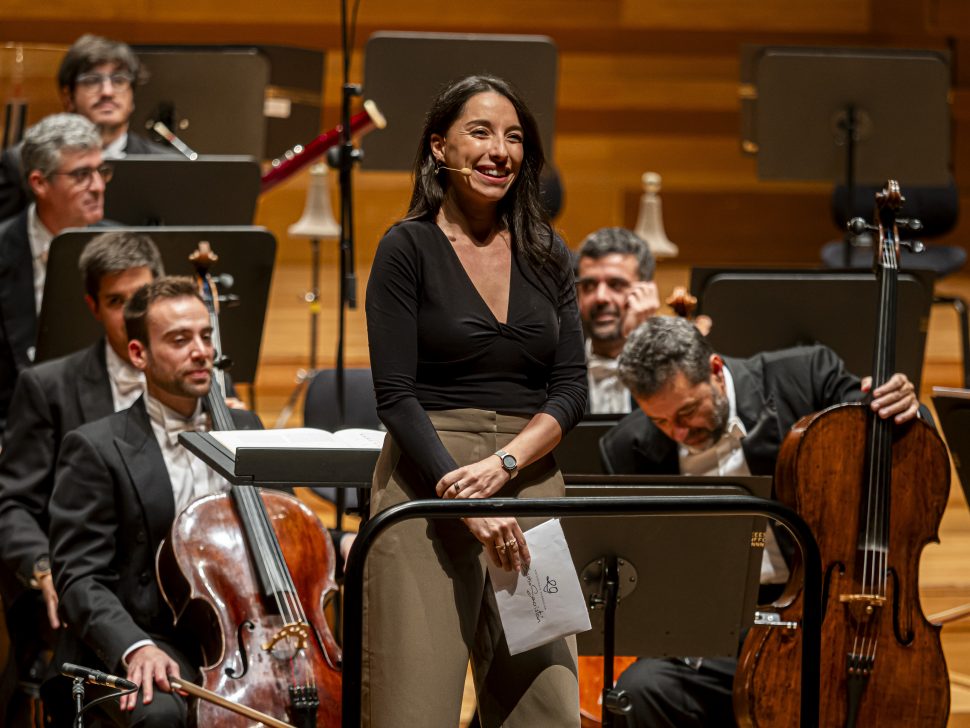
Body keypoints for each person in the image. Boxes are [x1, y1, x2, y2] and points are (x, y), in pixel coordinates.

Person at [364, 75, 587, 726]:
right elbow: (395, 395)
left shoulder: (549, 254)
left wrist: (506, 469)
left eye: (514, 137)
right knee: (413, 707)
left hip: (531, 483)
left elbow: (570, 389)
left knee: (547, 711)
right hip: (428, 484)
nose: (500, 150)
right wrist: (465, 495)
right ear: (439, 147)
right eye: (481, 131)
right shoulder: (406, 248)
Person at [600, 316, 920, 727]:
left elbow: (895, 444)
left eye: (688, 411)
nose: (678, 432)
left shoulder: (805, 376)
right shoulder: (629, 448)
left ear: (715, 370)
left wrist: (908, 408)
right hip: (725, 629)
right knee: (639, 691)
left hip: (831, 613)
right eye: (661, 422)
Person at [47, 277, 261, 726]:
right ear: (138, 353)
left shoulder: (246, 427)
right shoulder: (95, 447)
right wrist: (134, 646)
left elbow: (287, 530)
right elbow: (79, 578)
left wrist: (337, 541)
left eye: (205, 336)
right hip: (148, 633)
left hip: (243, 635)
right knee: (160, 714)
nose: (201, 351)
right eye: (180, 340)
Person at [0, 231, 163, 723]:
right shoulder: (49, 387)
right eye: (117, 302)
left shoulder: (200, 384)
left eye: (142, 298)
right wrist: (45, 569)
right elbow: (13, 506)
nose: (132, 313)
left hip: (172, 589)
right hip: (85, 583)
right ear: (93, 306)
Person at [0, 113, 108, 436]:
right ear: (39, 183)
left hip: (103, 429)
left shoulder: (122, 247)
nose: (99, 186)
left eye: (102, 171)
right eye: (82, 175)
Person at [0, 34, 173, 221]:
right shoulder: (18, 164)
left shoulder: (171, 166)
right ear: (68, 97)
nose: (107, 92)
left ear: (132, 96)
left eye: (119, 80)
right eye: (92, 80)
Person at [575, 227, 659, 414]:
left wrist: (641, 336)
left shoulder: (669, 370)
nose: (601, 297)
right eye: (589, 285)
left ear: (647, 292)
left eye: (616, 284)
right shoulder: (553, 372)